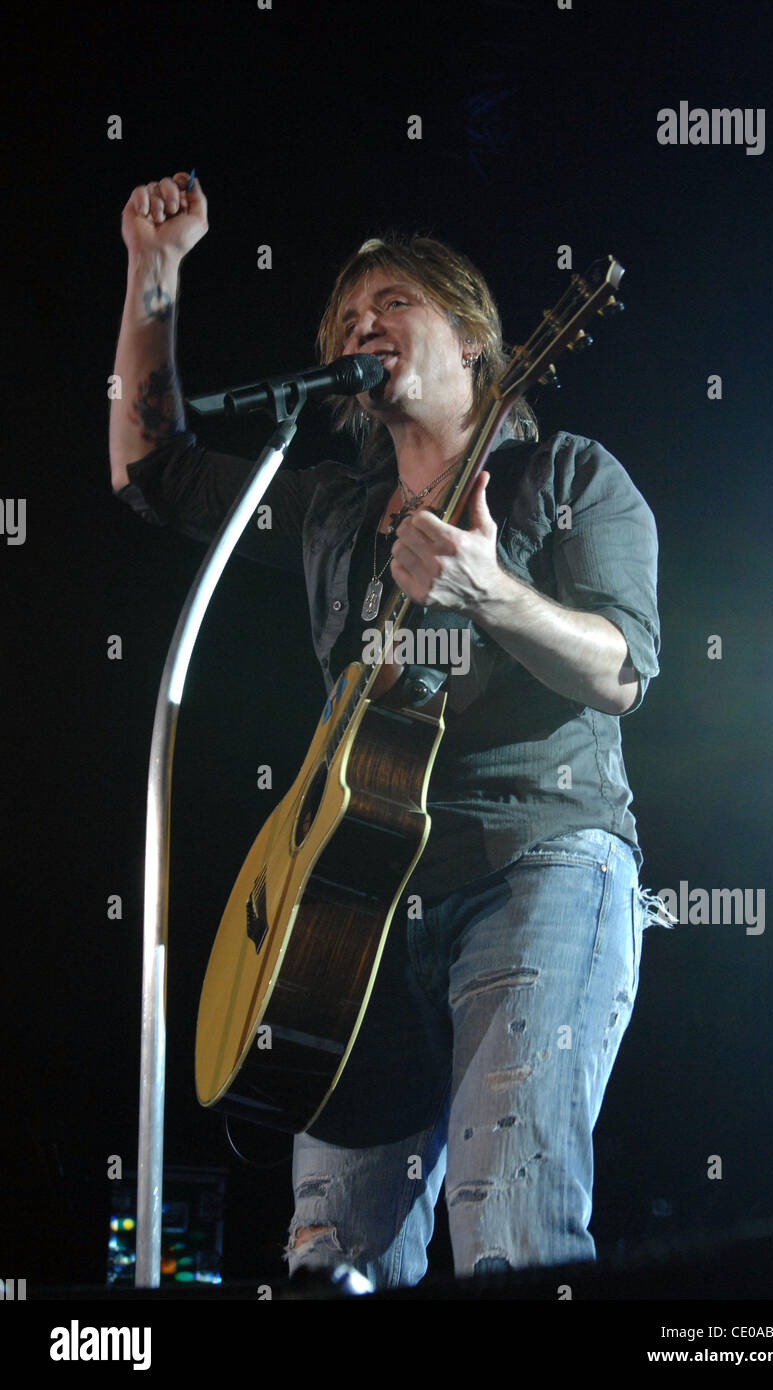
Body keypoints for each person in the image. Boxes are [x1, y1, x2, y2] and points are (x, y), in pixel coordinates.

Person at [110, 170, 667, 1290]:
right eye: (347, 315)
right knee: (332, 1261)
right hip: (350, 923)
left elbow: (623, 671)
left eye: (394, 301)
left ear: (473, 340)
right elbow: (149, 470)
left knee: (508, 1225)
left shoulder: (567, 479)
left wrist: (492, 592)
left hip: (532, 863)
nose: (363, 321)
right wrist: (153, 270)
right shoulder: (327, 510)